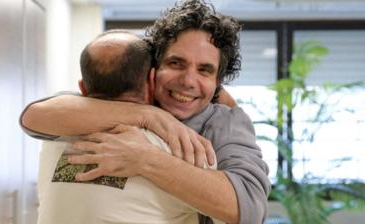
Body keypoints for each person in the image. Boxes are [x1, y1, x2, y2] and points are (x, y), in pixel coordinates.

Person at [21, 0, 271, 223]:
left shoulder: (224, 121)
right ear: (153, 70)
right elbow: (34, 117)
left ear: (218, 82)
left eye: (204, 70)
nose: (188, 81)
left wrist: (145, 159)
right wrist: (148, 115)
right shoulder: (109, 102)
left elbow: (248, 209)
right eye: (176, 63)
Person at [34, 29, 218, 224]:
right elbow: (239, 212)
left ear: (83, 89)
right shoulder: (186, 150)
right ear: (151, 81)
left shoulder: (55, 136)